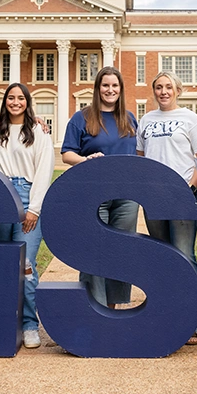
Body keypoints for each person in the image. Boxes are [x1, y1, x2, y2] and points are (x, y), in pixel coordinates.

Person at [136, 71, 197, 345]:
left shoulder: (190, 118)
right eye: (158, 87)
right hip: (154, 197)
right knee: (161, 257)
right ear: (154, 91)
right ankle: (165, 316)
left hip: (182, 194)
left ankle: (196, 321)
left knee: (183, 254)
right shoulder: (146, 120)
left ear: (177, 90)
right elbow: (141, 157)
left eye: (168, 87)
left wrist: (188, 187)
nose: (163, 91)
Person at [61, 66, 139, 309]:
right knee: (95, 248)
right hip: (94, 193)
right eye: (105, 85)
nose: (110, 90)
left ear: (121, 89)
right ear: (97, 89)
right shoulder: (81, 117)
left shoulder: (129, 118)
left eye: (115, 85)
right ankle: (95, 307)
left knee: (120, 249)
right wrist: (86, 160)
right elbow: (66, 154)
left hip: (126, 195)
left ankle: (112, 308)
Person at [0, 83, 53, 350]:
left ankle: (29, 325)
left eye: (20, 98)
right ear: (4, 102)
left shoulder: (37, 132)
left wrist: (34, 208)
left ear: (27, 102)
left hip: (26, 194)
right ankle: (5, 321)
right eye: (11, 98)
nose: (15, 102)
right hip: (0, 197)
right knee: (3, 262)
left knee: (26, 264)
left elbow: (45, 170)